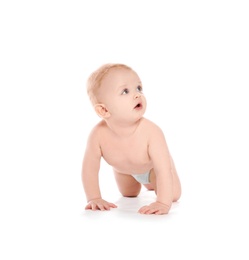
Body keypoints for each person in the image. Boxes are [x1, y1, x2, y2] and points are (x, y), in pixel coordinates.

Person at [81, 63, 181, 215]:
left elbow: (163, 170)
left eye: (139, 88)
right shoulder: (97, 135)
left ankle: (150, 182)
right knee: (129, 194)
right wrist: (94, 198)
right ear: (104, 110)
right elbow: (89, 169)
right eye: (125, 91)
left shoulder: (152, 132)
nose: (137, 94)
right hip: (123, 171)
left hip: (153, 168)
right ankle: (143, 183)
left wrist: (162, 203)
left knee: (173, 195)